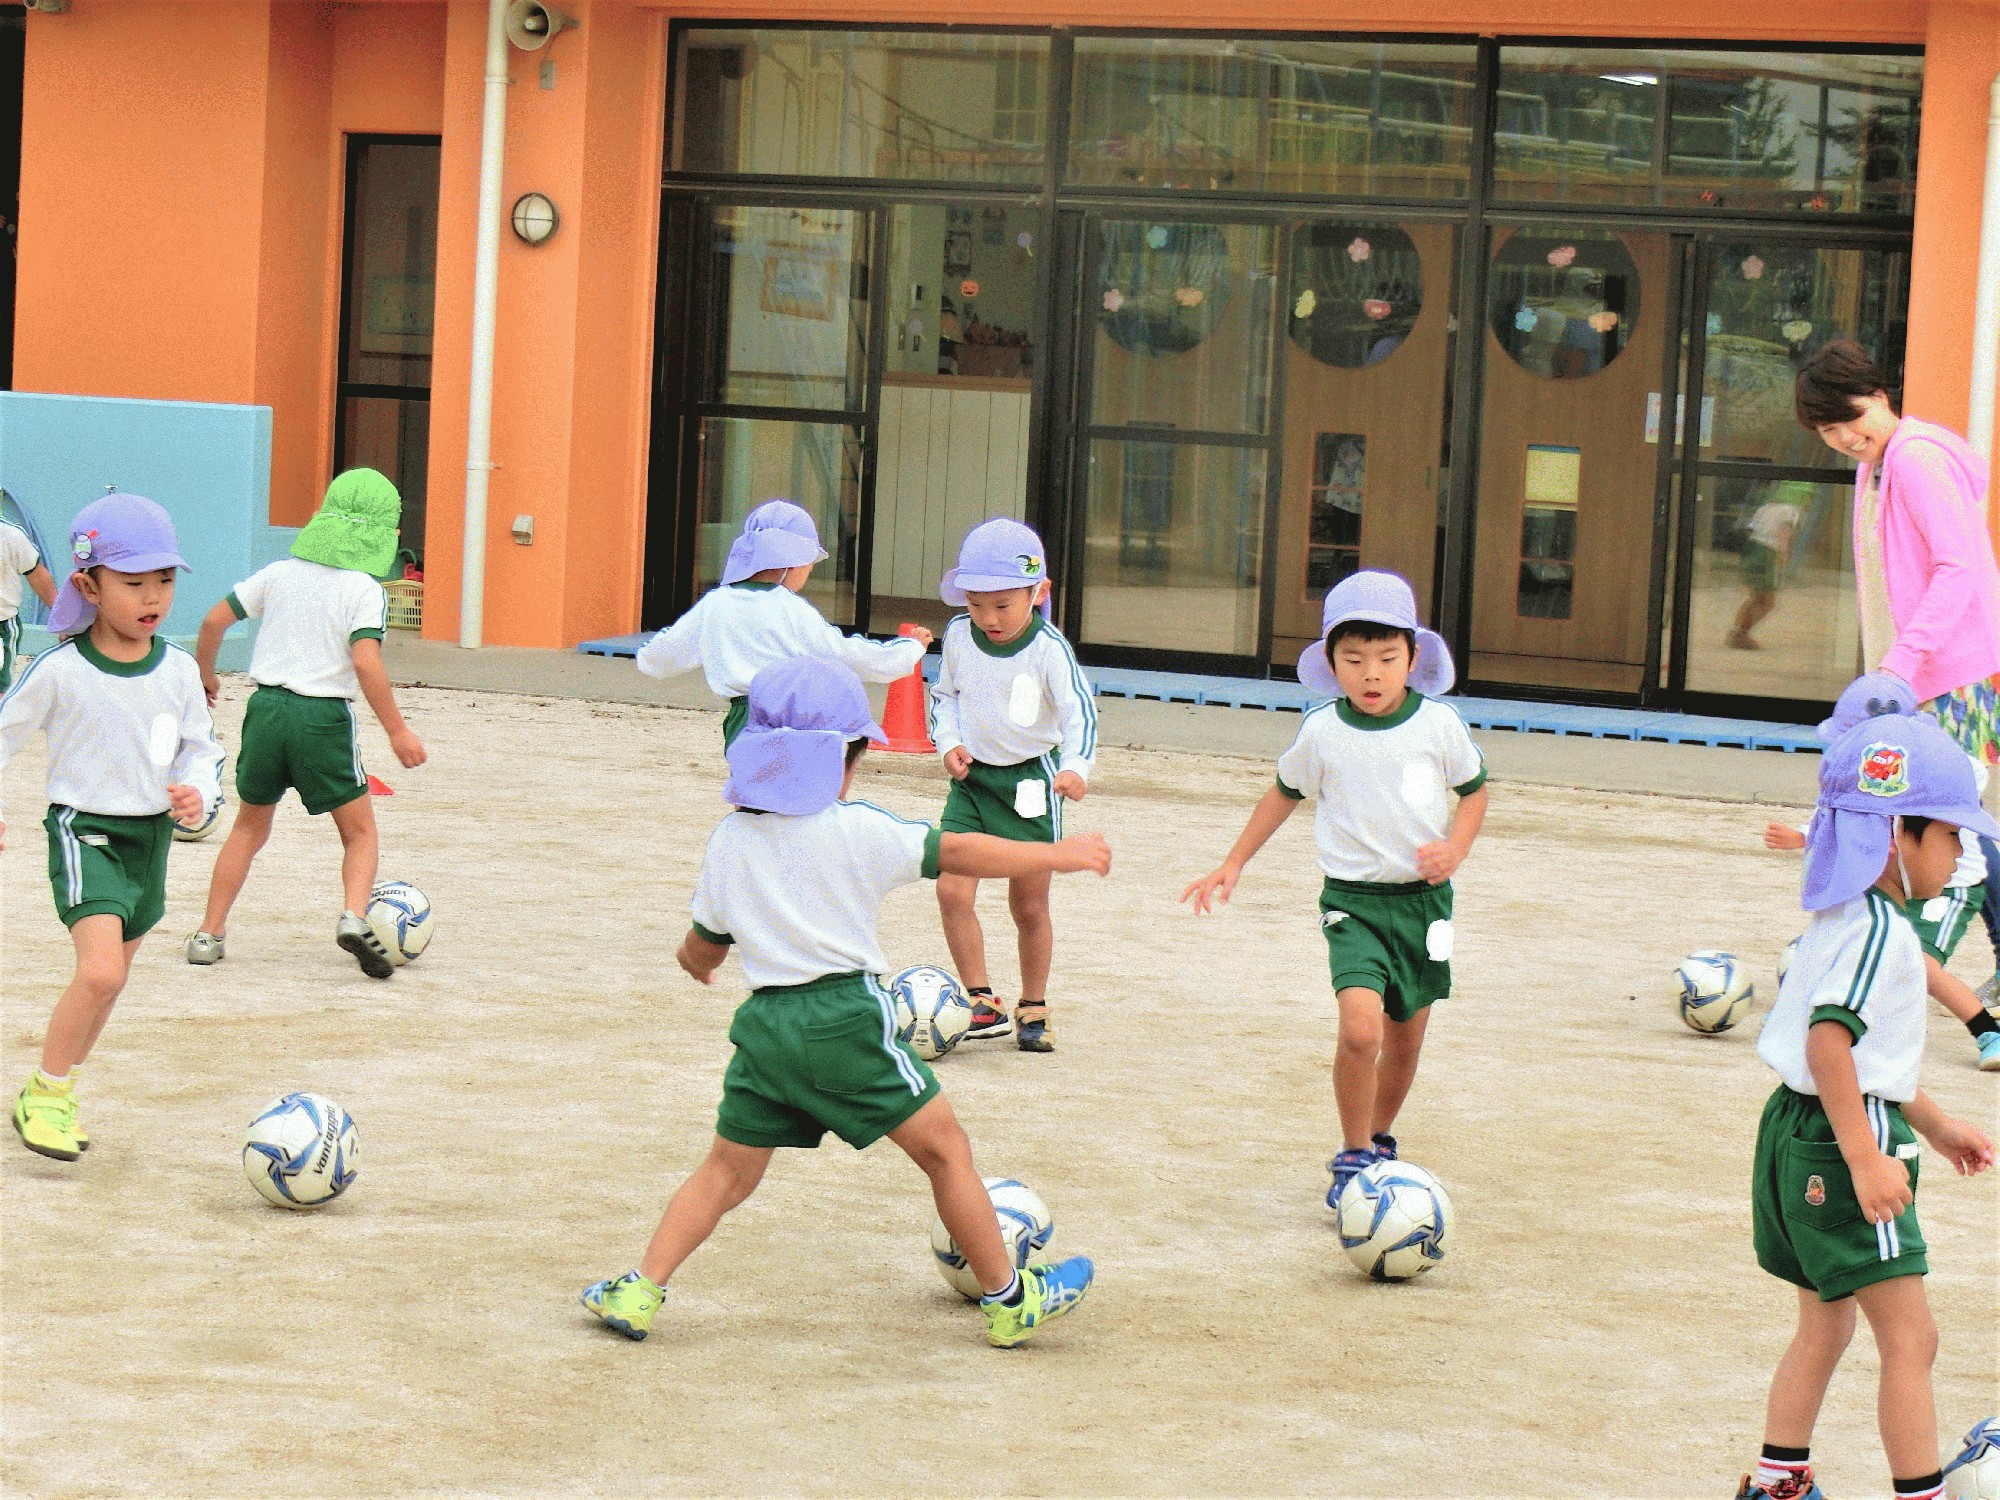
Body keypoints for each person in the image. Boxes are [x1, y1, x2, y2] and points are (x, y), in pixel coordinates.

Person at [580, 657, 1107, 1347]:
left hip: (766, 1029)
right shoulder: (859, 830)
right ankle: (1010, 1299)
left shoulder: (731, 840)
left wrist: (694, 964)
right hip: (845, 1021)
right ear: (844, 761)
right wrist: (1057, 855)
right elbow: (963, 851)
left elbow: (703, 948)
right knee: (947, 1153)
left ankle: (641, 1289)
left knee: (725, 1172)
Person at [1737, 709, 1996, 1500]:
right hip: (1842, 1143)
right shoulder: (1885, 932)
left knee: (1826, 1321)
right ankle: (1921, 1495)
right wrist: (1866, 1157)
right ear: (1895, 836)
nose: (1962, 854)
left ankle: (1779, 1483)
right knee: (1912, 1338)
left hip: (1792, 1130)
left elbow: (1864, 1058)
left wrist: (1938, 1122)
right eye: (1950, 835)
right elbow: (1830, 1045)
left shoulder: (1840, 917)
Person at [1182, 570, 1488, 1205]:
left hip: (1425, 906)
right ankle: (1352, 1156)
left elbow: (1475, 792)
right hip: (1353, 905)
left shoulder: (1440, 725)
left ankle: (1379, 1139)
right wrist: (1233, 861)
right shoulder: (1321, 730)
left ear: (1413, 657)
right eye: (1353, 658)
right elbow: (1284, 793)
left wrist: (1454, 850)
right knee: (1360, 1032)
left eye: (1386, 657)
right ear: (1330, 661)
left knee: (1406, 1037)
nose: (1370, 673)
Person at [0, 493, 223, 1160]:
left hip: (150, 840)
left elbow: (201, 749)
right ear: (88, 585)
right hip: (83, 832)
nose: (152, 596)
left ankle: (61, 1092)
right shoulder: (60, 671)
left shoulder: (180, 670)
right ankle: (44, 1093)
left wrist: (200, 793)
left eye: (164, 580)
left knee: (113, 983)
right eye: (133, 583)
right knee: (98, 973)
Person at [1795, 339, 2000, 1004]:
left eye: (1852, 418)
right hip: (1925, 674)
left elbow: (1957, 569)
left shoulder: (1913, 461)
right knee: (1952, 817)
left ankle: (1903, 971)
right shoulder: (1880, 464)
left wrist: (1900, 665)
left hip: (1954, 673)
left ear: (1880, 395)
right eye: (1829, 431)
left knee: (1944, 823)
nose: (1846, 437)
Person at [182, 468, 427, 978]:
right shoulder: (364, 590)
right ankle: (353, 917)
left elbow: (212, 621)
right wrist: (398, 730)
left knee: (249, 828)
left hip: (266, 710)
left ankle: (209, 933)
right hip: (322, 718)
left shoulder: (278, 573)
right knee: (359, 833)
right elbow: (364, 660)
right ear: (385, 537)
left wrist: (206, 673)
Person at [1763, 672, 2000, 1070]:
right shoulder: (1863, 778)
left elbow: (1968, 781)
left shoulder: (1932, 764)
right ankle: (1803, 1014)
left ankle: (1987, 1031)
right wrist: (1804, 836)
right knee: (1837, 936)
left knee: (1921, 963)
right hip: (1889, 874)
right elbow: (1844, 819)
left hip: (1952, 885)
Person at [926, 518, 1097, 1052]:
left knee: (1028, 905)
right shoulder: (958, 636)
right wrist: (947, 741)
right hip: (972, 783)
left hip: (1031, 787)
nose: (989, 618)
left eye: (1003, 605)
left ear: (1038, 592)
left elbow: (1080, 715)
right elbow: (944, 695)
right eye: (977, 604)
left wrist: (1075, 768)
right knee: (951, 889)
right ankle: (981, 1000)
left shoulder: (1049, 650)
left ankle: (1034, 1005)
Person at [635, 500, 929, 746]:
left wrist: (646, 654)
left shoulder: (715, 603)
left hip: (740, 722)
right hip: (790, 721)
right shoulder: (790, 608)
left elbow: (661, 656)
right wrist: (909, 649)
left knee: (750, 803)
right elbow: (847, 655)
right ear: (793, 561)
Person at [1730, 480, 1810, 651]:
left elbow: (1752, 530)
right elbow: (1784, 534)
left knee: (1756, 597)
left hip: (1752, 548)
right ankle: (1741, 634)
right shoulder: (1791, 511)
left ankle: (1737, 631)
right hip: (1767, 553)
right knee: (1767, 601)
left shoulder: (1765, 508)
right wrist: (1783, 557)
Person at [0, 509, 56, 691]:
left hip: (2, 624)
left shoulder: (11, 535)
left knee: (1, 687)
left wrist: (60, 616)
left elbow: (37, 575)